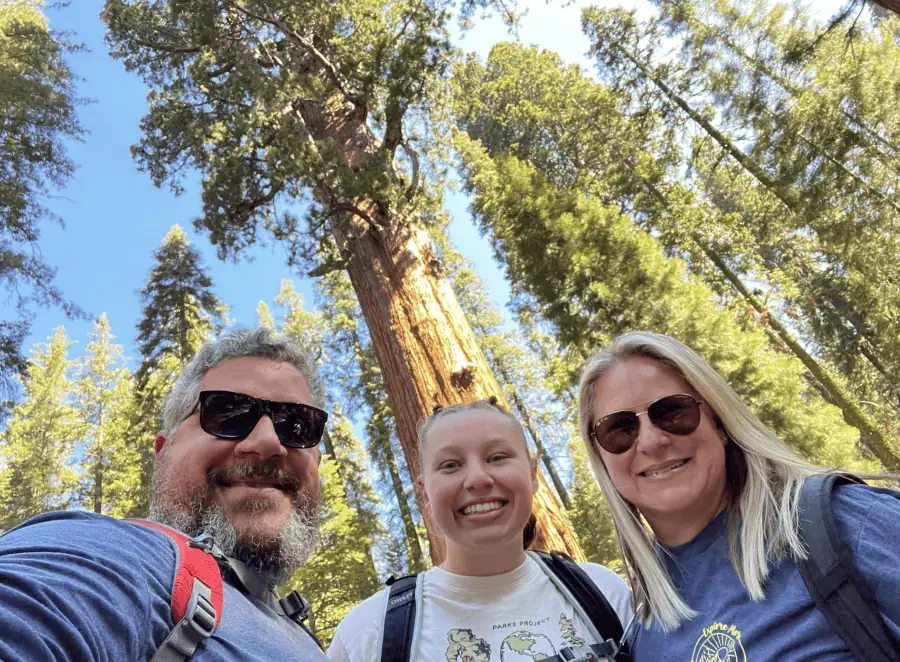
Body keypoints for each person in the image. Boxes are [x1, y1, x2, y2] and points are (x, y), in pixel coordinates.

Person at [0, 327, 330, 661]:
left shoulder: (298, 628)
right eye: (229, 413)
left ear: (316, 462)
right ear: (164, 451)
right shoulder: (119, 556)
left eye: (297, 426)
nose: (268, 443)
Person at [577, 331, 900, 660]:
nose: (650, 442)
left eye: (673, 411)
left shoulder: (845, 522)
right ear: (601, 457)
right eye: (619, 429)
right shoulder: (643, 631)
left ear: (718, 422)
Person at [328, 398, 633, 662]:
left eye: (497, 457)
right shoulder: (369, 634)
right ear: (424, 492)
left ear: (532, 473)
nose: (477, 479)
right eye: (450, 465)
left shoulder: (604, 592)